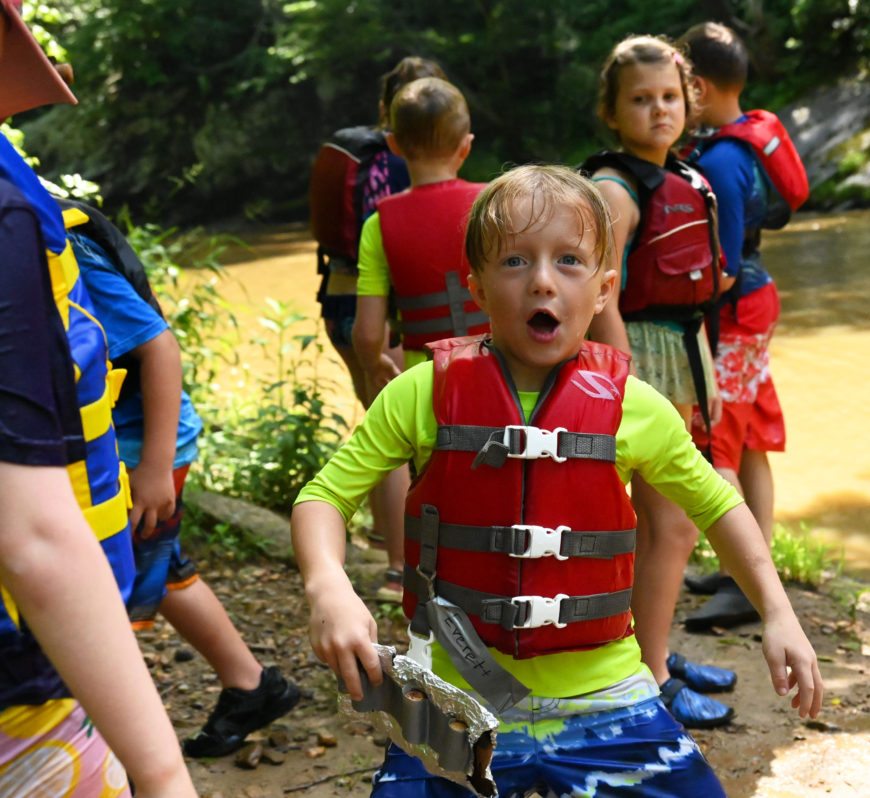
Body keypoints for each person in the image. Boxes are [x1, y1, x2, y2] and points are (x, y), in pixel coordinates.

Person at [292, 164, 823, 797]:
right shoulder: (424, 393)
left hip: (609, 701)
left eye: (568, 261)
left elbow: (719, 508)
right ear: (478, 288)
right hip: (456, 699)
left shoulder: (637, 406)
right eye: (515, 262)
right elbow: (324, 496)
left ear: (602, 290)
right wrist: (328, 584)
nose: (543, 281)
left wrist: (778, 612)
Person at [0, 2, 196, 794]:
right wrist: (161, 771)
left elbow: (155, 345)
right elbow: (34, 536)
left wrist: (156, 463)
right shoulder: (14, 220)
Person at [64, 200, 301, 759]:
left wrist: (153, 466)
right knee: (156, 565)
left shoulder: (60, 244)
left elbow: (159, 346)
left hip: (135, 449)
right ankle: (251, 686)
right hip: (108, 446)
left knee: (106, 591)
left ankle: (117, 744)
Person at [580, 34, 738, 729]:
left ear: (690, 99)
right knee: (669, 526)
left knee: (665, 526)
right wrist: (624, 384)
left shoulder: (681, 173)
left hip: (680, 352)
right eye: (640, 100)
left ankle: (657, 656)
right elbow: (599, 292)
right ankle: (651, 675)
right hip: (640, 358)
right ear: (611, 113)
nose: (659, 111)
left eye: (670, 97)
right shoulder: (618, 188)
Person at [676, 22, 809, 633]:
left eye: (677, 88)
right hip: (757, 303)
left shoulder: (725, 158)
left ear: (697, 88)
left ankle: (747, 583)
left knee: (719, 443)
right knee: (749, 436)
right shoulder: (737, 146)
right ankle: (746, 573)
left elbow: (722, 268)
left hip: (736, 309)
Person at [308, 56, 446, 598]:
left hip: (336, 302)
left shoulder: (360, 154)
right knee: (396, 435)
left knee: (379, 423)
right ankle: (398, 567)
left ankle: (391, 542)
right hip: (382, 314)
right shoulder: (396, 169)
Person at [351, 76, 489, 602]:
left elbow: (369, 331)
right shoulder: (490, 203)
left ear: (393, 145)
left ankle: (431, 588)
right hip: (498, 368)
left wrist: (374, 369)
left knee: (433, 486)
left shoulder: (378, 224)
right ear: (466, 146)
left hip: (423, 376)